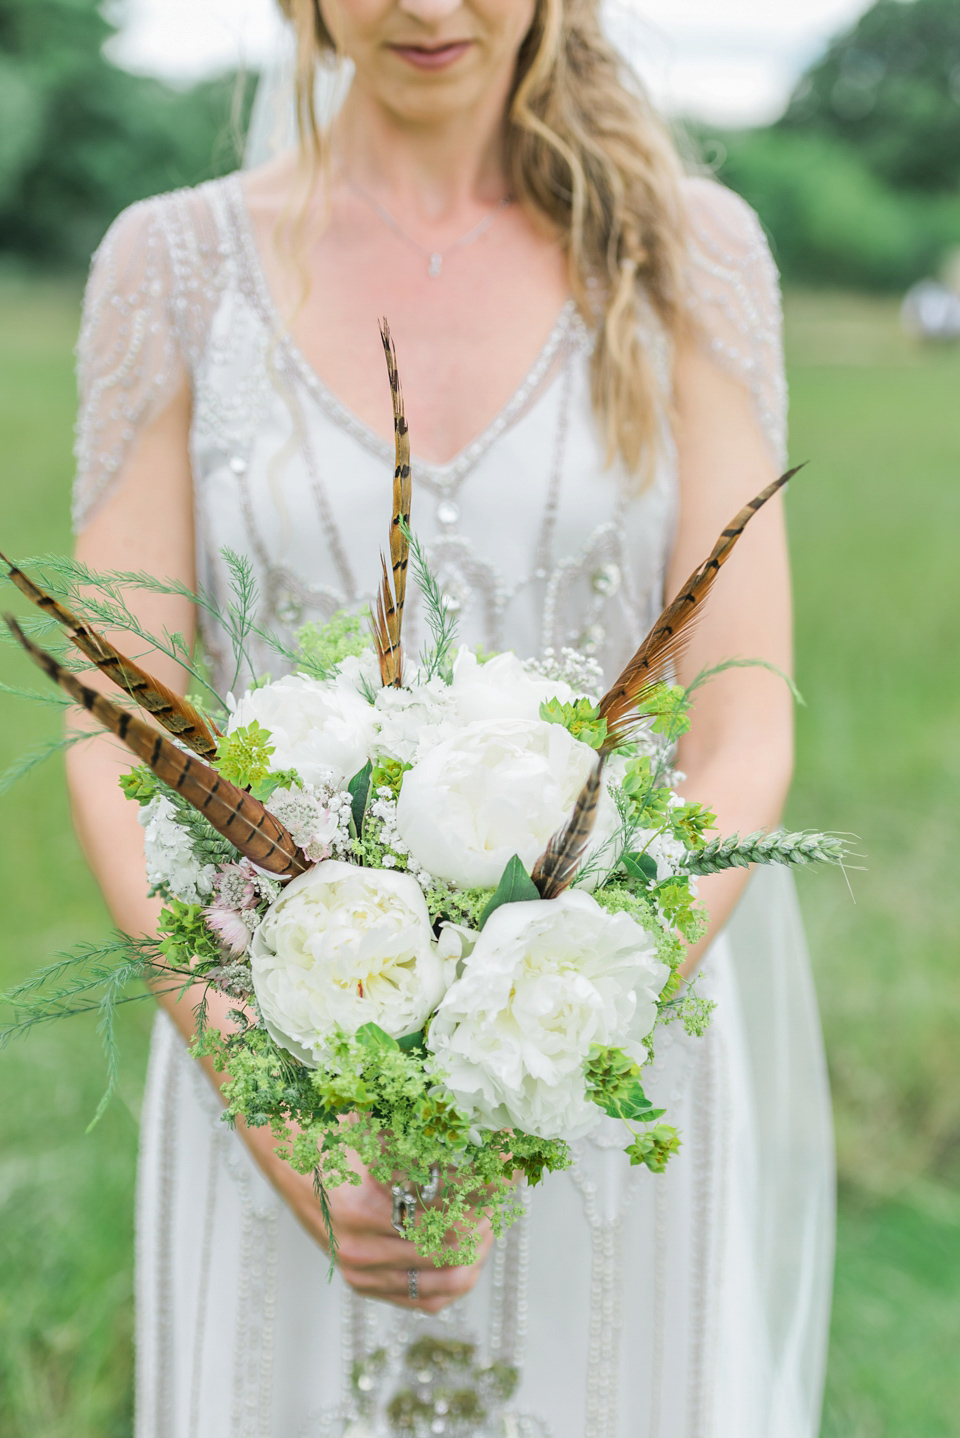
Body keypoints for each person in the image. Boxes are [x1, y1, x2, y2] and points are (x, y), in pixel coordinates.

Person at [66, 1, 835, 1434]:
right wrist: (285, 1115)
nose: (426, 7)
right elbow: (123, 732)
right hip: (286, 1053)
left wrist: (564, 1028)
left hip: (608, 1058)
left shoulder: (689, 253)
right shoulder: (169, 265)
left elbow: (742, 729)